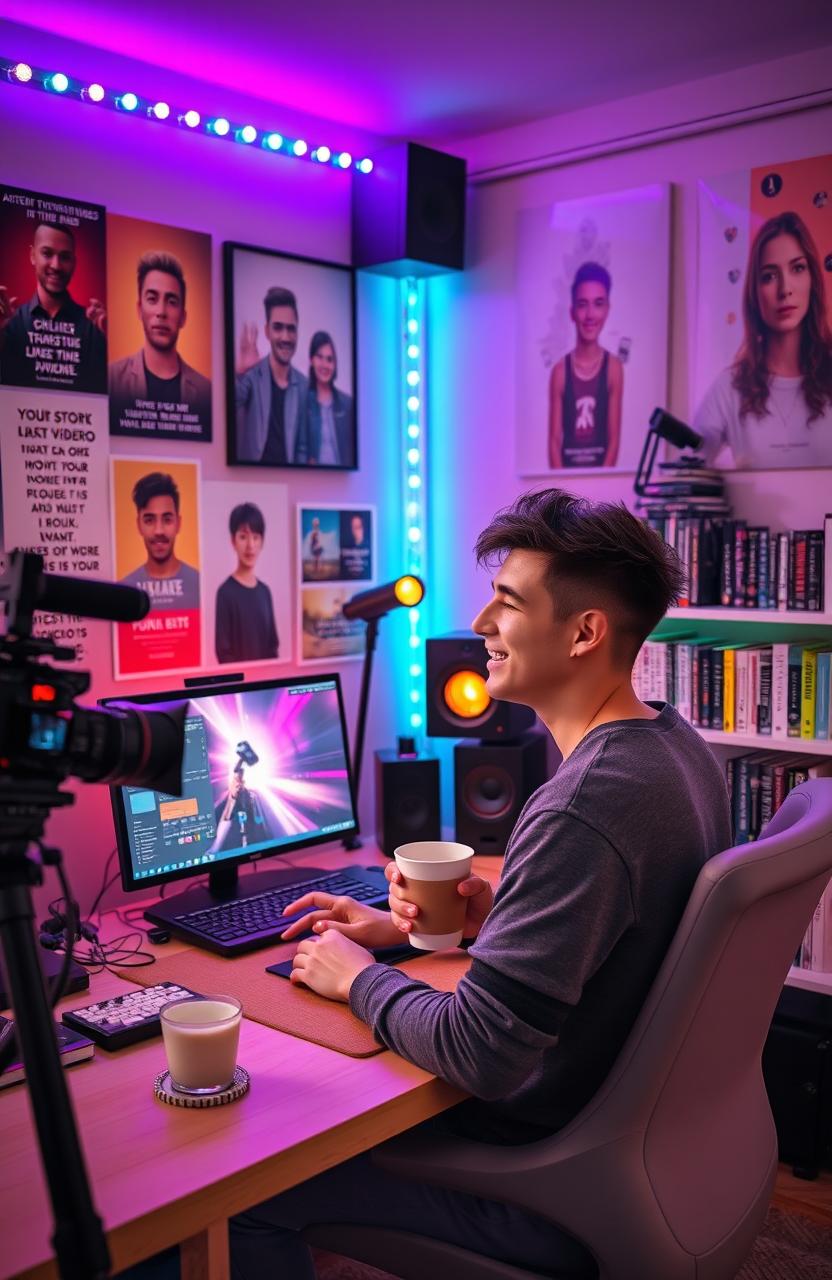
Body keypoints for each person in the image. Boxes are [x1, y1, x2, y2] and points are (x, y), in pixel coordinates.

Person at [221, 488, 732, 1279]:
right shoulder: (673, 746)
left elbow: (480, 1051)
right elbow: (632, 936)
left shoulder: (582, 806)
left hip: (546, 1184)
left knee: (246, 1191)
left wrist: (356, 979)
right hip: (645, 1157)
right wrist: (477, 922)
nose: (481, 626)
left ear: (585, 632)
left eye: (506, 603)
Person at [694, 210, 832, 469]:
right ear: (754, 292)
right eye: (769, 276)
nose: (785, 289)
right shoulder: (730, 388)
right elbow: (686, 469)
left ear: (812, 279)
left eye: (797, 268)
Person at [109, 250, 211, 430]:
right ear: (139, 310)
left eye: (172, 302)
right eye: (152, 299)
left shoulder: (206, 391)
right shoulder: (111, 379)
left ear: (183, 317)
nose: (161, 312)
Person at [0, 220, 106, 392]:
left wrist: (110, 343)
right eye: (47, 253)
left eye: (65, 257)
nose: (56, 265)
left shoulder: (93, 328)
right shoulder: (10, 325)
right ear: (32, 256)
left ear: (74, 263)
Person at [548, 263, 623, 469]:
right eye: (583, 304)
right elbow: (554, 441)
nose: (590, 315)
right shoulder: (560, 371)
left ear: (608, 309)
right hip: (565, 489)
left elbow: (614, 439)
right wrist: (562, 492)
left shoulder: (614, 368)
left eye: (598, 303)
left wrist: (601, 488)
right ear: (572, 311)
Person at [234, 286, 309, 464]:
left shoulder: (304, 385)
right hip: (251, 481)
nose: (285, 337)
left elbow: (302, 447)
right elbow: (229, 407)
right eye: (278, 328)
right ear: (267, 331)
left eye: (291, 329)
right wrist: (239, 372)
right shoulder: (251, 375)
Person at [120, 471, 199, 609]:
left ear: (178, 524)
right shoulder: (124, 590)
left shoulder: (201, 585)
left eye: (167, 520)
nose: (159, 531)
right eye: (149, 520)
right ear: (139, 525)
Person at [215, 502, 279, 664]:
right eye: (243, 537)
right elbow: (223, 652)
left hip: (267, 684)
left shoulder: (265, 592)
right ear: (233, 541)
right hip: (239, 687)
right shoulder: (225, 592)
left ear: (262, 542)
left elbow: (273, 647)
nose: (250, 545)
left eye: (255, 537)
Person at [306, 329, 355, 467]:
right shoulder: (303, 403)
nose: (324, 365)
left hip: (342, 483)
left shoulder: (348, 404)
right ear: (311, 360)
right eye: (319, 357)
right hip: (309, 482)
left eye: (329, 359)